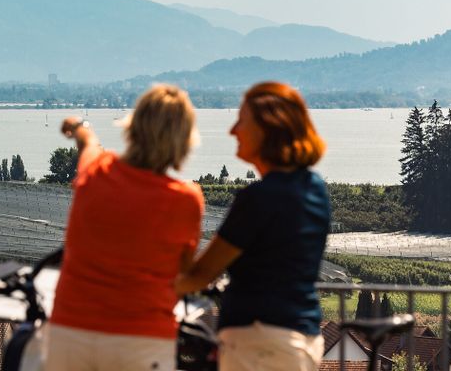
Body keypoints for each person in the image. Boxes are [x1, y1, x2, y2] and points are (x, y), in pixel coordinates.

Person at [44, 84, 204, 371]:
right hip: (143, 337)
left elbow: (88, 144)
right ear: (183, 140)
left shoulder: (97, 171)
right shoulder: (186, 200)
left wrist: (79, 126)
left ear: (134, 128)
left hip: (72, 329)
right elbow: (184, 275)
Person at [174, 81, 330, 371]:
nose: (232, 130)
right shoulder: (315, 189)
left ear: (268, 129)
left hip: (259, 344)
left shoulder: (259, 197)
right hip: (300, 338)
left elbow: (200, 275)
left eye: (241, 121)